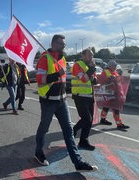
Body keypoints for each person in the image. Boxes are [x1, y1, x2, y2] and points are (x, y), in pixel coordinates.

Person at [34, 34, 98, 172]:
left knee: (69, 131)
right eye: (61, 44)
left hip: (61, 100)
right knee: (44, 128)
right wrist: (57, 74)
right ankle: (38, 152)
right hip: (48, 100)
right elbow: (39, 79)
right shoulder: (45, 58)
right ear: (53, 43)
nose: (64, 46)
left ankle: (78, 162)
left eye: (64, 44)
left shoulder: (62, 58)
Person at [71, 49, 97, 151]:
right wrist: (91, 69)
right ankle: (80, 138)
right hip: (79, 95)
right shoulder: (77, 65)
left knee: (88, 120)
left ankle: (79, 136)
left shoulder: (88, 67)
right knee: (87, 119)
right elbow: (84, 79)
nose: (91, 58)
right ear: (83, 56)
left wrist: (93, 76)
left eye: (92, 56)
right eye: (89, 55)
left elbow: (94, 80)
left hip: (90, 96)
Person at [99, 60, 130, 129]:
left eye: (116, 65)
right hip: (110, 92)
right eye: (114, 65)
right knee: (115, 108)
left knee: (106, 106)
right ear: (110, 66)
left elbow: (117, 81)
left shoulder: (114, 72)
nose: (115, 67)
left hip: (113, 92)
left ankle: (102, 119)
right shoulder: (106, 72)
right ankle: (119, 124)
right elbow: (105, 81)